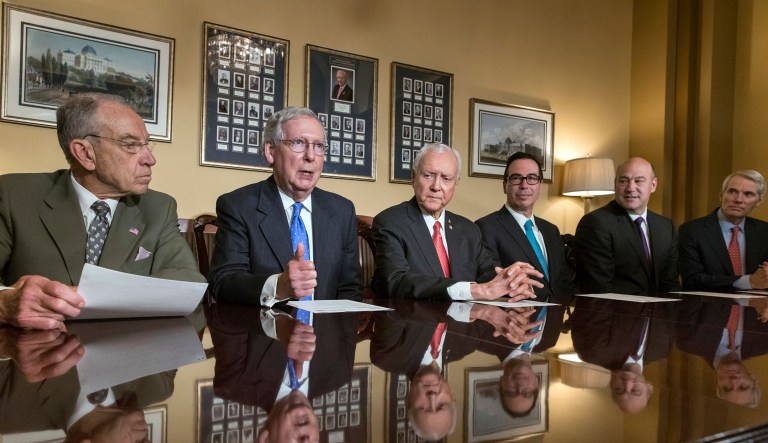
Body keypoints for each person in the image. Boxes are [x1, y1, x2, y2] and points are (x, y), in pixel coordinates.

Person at [0, 93, 204, 330]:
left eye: (147, 143)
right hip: (36, 356)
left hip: (126, 354)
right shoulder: (14, 195)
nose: (150, 158)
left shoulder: (158, 207)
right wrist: (5, 304)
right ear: (85, 153)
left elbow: (189, 283)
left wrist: (89, 294)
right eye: (130, 145)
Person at [208, 107, 361, 306]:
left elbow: (350, 290)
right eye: (298, 143)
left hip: (324, 334)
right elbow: (223, 283)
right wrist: (277, 287)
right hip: (263, 333)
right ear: (270, 151)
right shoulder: (238, 206)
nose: (310, 156)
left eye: (318, 146)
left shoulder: (342, 211)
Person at [372, 143, 543, 300]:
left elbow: (487, 275)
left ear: (455, 184)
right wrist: (473, 290)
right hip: (415, 326)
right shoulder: (390, 222)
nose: (436, 186)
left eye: (446, 178)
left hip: (460, 328)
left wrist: (511, 281)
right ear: (413, 178)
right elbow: (394, 281)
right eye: (428, 175)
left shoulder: (468, 229)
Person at [476, 152, 576, 304]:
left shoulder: (551, 230)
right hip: (517, 319)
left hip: (554, 320)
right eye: (516, 178)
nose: (524, 185)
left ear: (539, 185)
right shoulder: (484, 227)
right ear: (505, 186)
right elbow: (491, 278)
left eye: (532, 178)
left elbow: (563, 280)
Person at [574, 157, 679, 295]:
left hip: (660, 314)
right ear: (615, 184)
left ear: (653, 185)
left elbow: (670, 284)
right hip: (616, 313)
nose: (630, 188)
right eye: (623, 181)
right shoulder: (595, 223)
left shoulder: (666, 226)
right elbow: (599, 288)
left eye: (638, 181)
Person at [679, 170, 768, 292]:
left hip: (755, 308)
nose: (738, 199)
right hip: (708, 308)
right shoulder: (692, 231)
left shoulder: (764, 232)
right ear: (721, 195)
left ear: (759, 201)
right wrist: (749, 281)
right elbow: (692, 280)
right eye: (732, 191)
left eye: (748, 194)